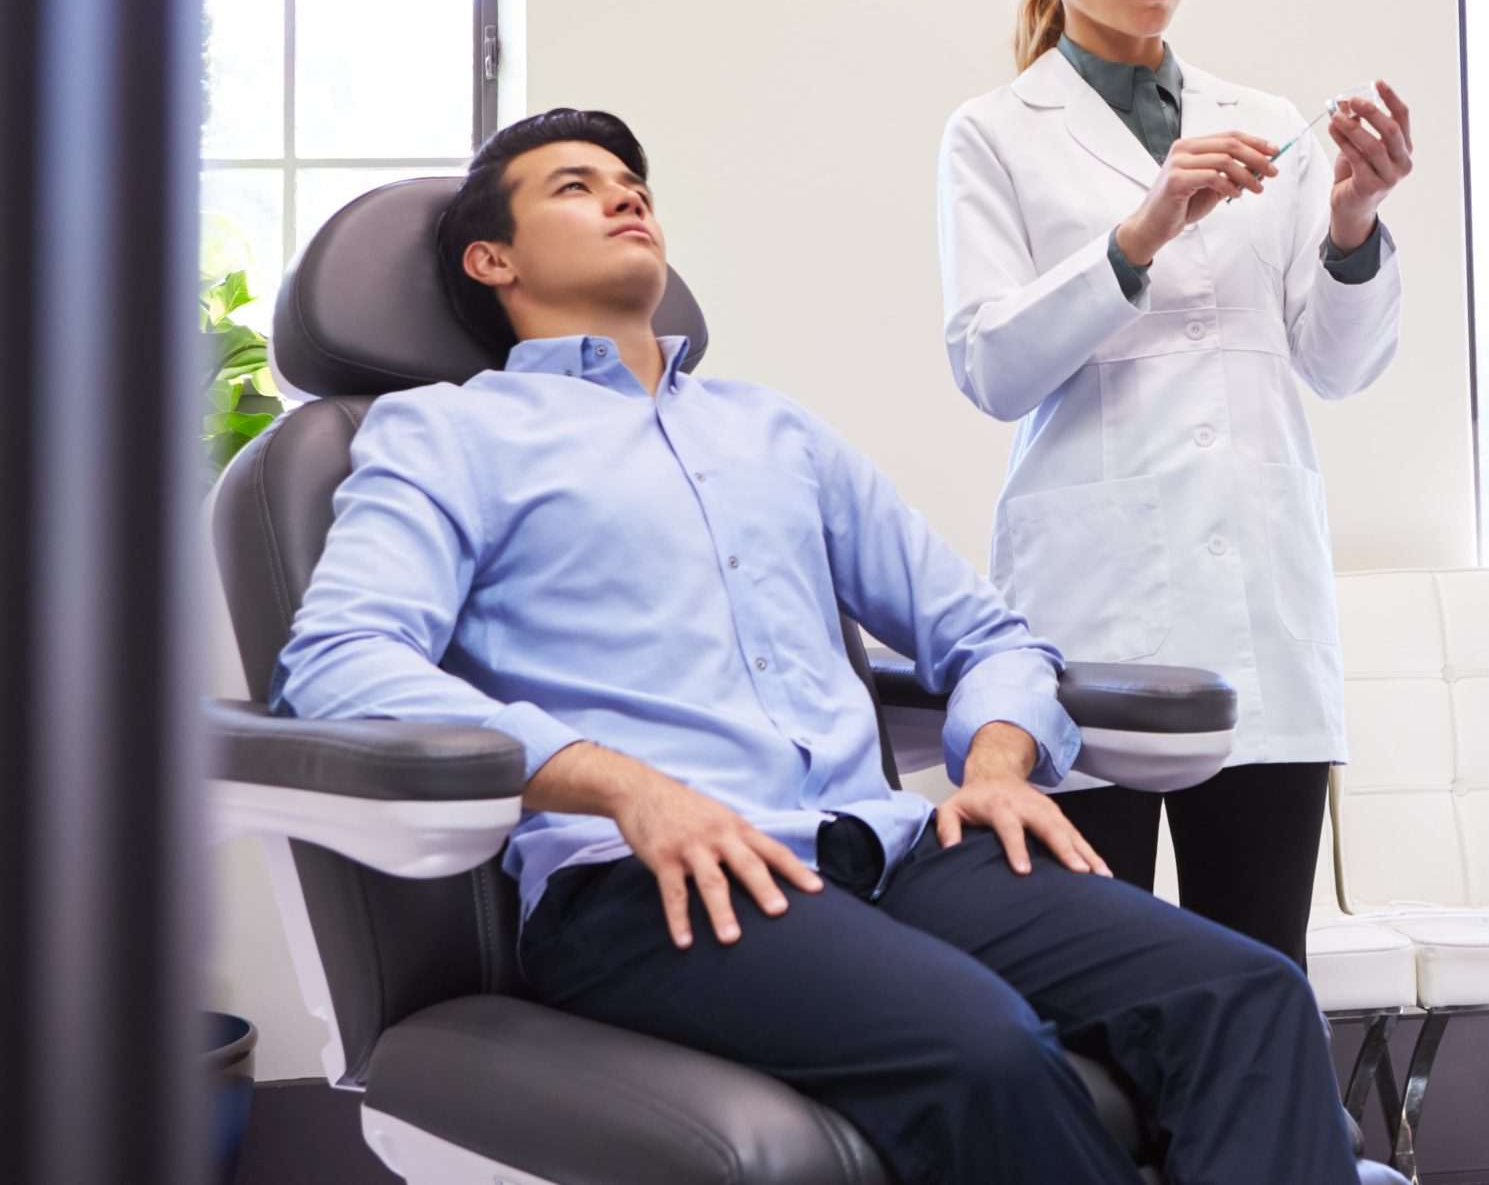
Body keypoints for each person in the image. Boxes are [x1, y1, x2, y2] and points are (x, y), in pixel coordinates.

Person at [269, 107, 1361, 1185]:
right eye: (575, 185)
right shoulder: (448, 434)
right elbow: (339, 659)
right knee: (983, 1052)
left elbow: (986, 636)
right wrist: (622, 787)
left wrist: (993, 765)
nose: (624, 193)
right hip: (656, 883)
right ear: (491, 258)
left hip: (888, 854)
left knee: (1249, 993)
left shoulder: (773, 432)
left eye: (632, 180)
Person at [938, 0, 1413, 968]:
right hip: (1093, 605)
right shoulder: (993, 135)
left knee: (1257, 970)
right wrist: (1139, 234)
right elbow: (992, 368)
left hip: (1260, 602)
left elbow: (1338, 362)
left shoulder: (1262, 123)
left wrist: (1351, 220)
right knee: (1089, 979)